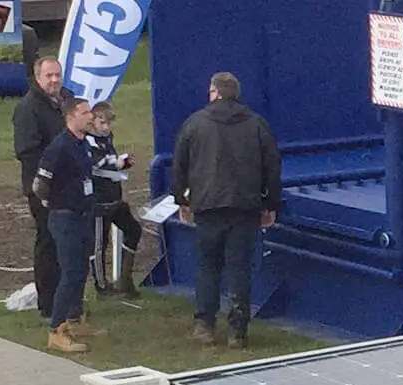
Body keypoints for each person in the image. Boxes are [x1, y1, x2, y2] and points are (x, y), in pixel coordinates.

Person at [169, 71, 281, 349]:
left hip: (207, 205)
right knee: (239, 267)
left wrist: (182, 200)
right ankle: (238, 330)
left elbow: (179, 165)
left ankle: (204, 324)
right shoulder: (256, 124)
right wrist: (270, 204)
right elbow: (272, 167)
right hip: (245, 206)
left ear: (215, 93)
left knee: (208, 266)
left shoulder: (195, 123)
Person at [32, 95, 100, 355]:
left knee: (82, 269)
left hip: (83, 214)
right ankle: (56, 330)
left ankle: (75, 318)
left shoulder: (83, 144)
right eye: (85, 113)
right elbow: (39, 185)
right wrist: (53, 203)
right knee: (69, 273)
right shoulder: (58, 147)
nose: (91, 116)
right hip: (64, 217)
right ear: (71, 116)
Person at [12, 53, 68, 321]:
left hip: (69, 187)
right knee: (48, 244)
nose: (55, 80)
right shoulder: (28, 108)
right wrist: (47, 176)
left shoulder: (65, 101)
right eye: (49, 75)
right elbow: (26, 150)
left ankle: (67, 300)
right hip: (42, 189)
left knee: (66, 245)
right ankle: (47, 304)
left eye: (58, 74)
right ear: (37, 77)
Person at [87, 99, 143, 300]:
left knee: (134, 229)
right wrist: (116, 164)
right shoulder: (88, 141)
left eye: (109, 123)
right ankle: (102, 287)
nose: (106, 127)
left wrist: (123, 164)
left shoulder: (107, 139)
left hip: (114, 198)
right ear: (92, 121)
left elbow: (110, 162)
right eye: (102, 123)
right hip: (98, 202)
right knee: (99, 244)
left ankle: (125, 278)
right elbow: (95, 165)